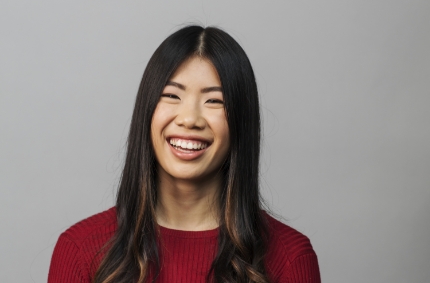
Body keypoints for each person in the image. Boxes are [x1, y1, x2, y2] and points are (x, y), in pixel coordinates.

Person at [48, 25, 321, 283]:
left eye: (214, 100)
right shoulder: (80, 250)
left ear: (241, 121)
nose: (190, 119)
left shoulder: (290, 258)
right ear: (147, 110)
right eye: (172, 96)